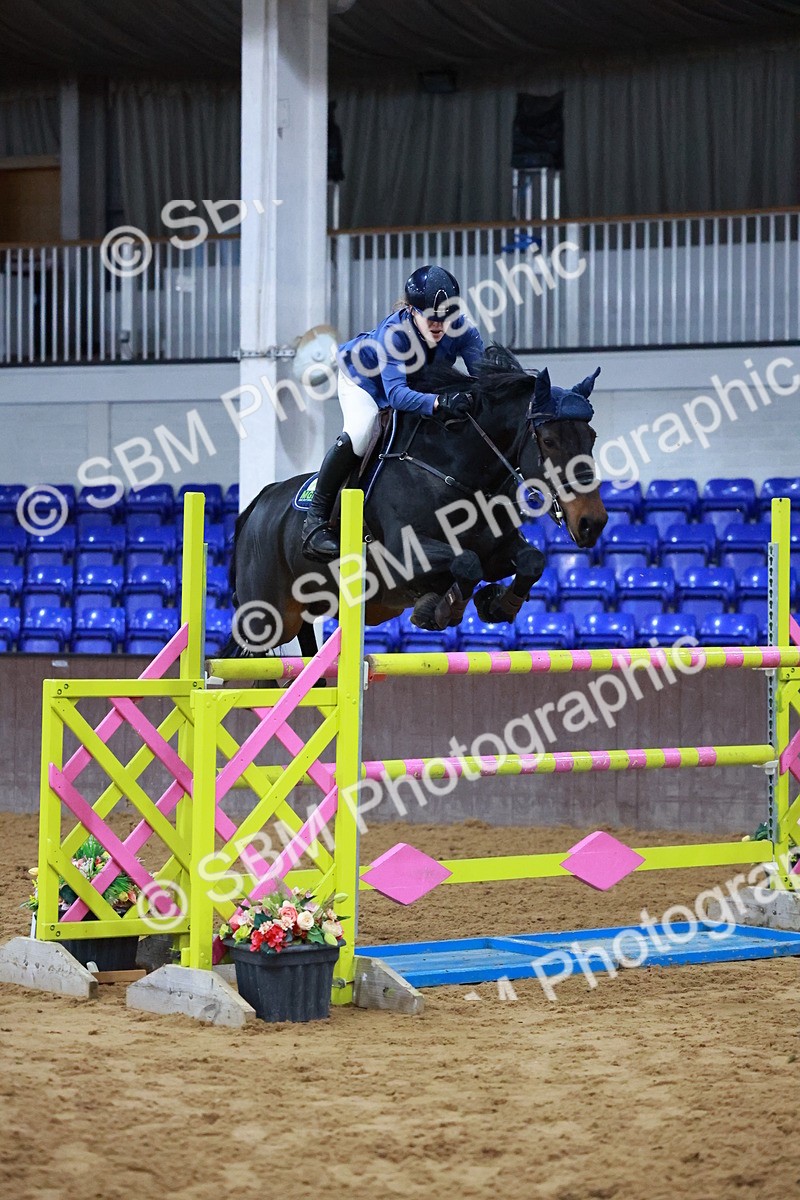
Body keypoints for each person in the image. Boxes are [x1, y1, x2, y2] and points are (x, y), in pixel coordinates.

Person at [302, 264, 485, 561]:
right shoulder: (395, 335)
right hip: (364, 379)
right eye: (431, 319)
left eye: (445, 318)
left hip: (413, 383)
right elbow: (397, 396)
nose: (439, 326)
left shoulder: (463, 330)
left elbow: (483, 380)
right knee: (362, 432)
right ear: (413, 311)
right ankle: (315, 520)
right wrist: (439, 403)